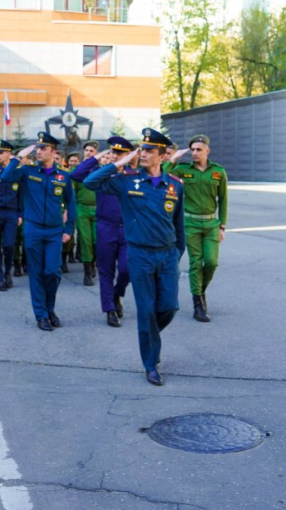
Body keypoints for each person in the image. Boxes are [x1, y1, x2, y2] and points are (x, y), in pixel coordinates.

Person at [85, 128, 185, 386]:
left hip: (166, 255)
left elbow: (178, 225)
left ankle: (151, 339)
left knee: (169, 307)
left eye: (150, 150)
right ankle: (150, 364)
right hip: (139, 254)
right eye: (142, 149)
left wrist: (177, 254)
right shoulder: (127, 180)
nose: (144, 153)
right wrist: (118, 163)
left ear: (162, 156)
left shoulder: (174, 185)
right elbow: (89, 182)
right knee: (146, 309)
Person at [2, 132, 76, 331]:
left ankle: (50, 308)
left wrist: (69, 229)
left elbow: (71, 203)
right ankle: (41, 315)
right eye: (38, 148)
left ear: (53, 151)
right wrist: (18, 157)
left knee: (53, 271)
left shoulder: (63, 175)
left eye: (43, 148)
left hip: (54, 232)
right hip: (33, 229)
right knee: (36, 273)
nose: (39, 151)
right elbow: (5, 177)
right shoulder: (28, 171)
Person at [71, 137, 137, 327]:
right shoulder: (101, 174)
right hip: (106, 227)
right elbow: (76, 175)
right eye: (113, 152)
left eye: (120, 153)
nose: (115, 156)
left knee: (127, 269)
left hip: (127, 230)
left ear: (128, 155)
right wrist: (96, 158)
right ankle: (109, 309)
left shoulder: (134, 175)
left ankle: (117, 293)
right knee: (106, 270)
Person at [165, 134, 227, 322]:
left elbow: (223, 199)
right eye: (192, 150)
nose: (194, 153)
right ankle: (198, 303)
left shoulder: (218, 172)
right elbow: (164, 174)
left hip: (211, 224)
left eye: (199, 149)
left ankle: (200, 290)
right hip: (189, 223)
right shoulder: (183, 170)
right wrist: (173, 159)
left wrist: (222, 225)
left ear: (207, 151)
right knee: (195, 262)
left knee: (211, 262)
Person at [0, 140, 23, 291]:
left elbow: (21, 194)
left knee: (9, 245)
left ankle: (8, 272)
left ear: (9, 154)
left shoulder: (17, 171)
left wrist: (21, 213)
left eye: (1, 152)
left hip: (12, 212)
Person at [74, 141, 98, 285]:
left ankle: (94, 262)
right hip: (82, 208)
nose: (88, 153)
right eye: (86, 150)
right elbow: (72, 191)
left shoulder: (100, 170)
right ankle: (87, 272)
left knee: (96, 241)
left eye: (91, 151)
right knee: (85, 240)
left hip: (98, 210)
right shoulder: (78, 170)